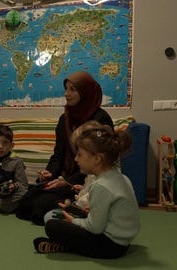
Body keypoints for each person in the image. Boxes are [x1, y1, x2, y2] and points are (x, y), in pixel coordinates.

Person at [15, 71, 114, 225]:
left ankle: (75, 212)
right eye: (66, 88)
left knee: (40, 208)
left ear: (85, 92)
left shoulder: (100, 119)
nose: (67, 94)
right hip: (62, 178)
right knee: (25, 202)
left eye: (73, 89)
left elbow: (99, 163)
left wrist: (66, 182)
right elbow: (58, 154)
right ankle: (67, 210)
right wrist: (49, 173)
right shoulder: (65, 119)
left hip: (85, 181)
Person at [33, 123, 140, 259]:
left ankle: (65, 246)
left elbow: (95, 228)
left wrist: (73, 222)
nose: (76, 159)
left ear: (97, 159)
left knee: (52, 226)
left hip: (111, 246)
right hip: (124, 242)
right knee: (74, 212)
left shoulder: (101, 186)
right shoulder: (122, 177)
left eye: (80, 154)